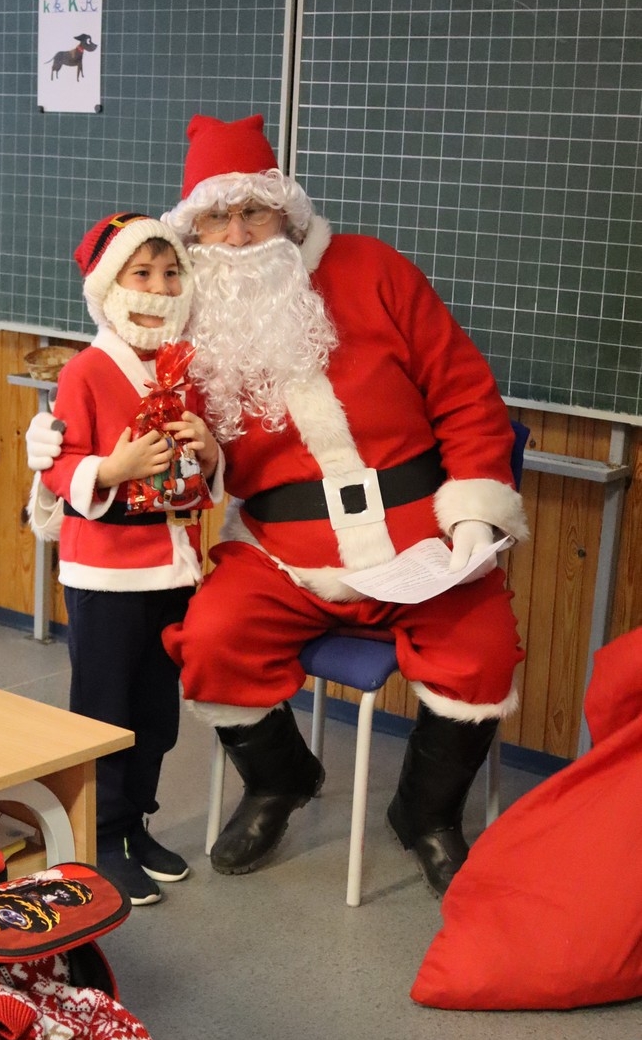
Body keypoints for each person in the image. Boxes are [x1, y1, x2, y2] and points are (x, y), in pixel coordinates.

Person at [27, 115, 530, 899]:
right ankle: (280, 781)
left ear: (286, 212)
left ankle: (426, 812)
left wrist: (470, 518)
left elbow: (466, 394)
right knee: (210, 639)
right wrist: (58, 441)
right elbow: (121, 376)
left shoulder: (374, 269)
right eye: (216, 219)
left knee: (484, 650)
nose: (236, 235)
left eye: (253, 212)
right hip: (280, 548)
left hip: (419, 534)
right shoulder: (188, 314)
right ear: (193, 230)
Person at [33, 211, 222, 905]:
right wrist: (113, 471)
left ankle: (135, 823)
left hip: (172, 569)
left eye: (171, 273)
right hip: (106, 574)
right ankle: (98, 838)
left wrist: (209, 450)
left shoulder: (181, 372)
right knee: (104, 710)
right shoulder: (85, 371)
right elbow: (61, 468)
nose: (159, 287)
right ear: (111, 285)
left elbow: (201, 470)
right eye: (142, 273)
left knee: (156, 712)